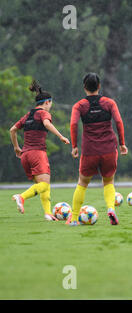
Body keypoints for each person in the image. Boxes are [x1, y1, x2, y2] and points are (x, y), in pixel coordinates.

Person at [69, 73, 128, 226]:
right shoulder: (109, 102)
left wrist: (74, 146)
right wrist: (122, 143)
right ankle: (110, 208)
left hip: (90, 150)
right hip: (109, 148)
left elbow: (74, 125)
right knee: (108, 181)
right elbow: (119, 121)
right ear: (99, 86)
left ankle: (74, 218)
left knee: (82, 182)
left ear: (84, 87)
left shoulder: (79, 105)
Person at [10, 81, 70, 221]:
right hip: (38, 153)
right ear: (48, 102)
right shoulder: (43, 113)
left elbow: (12, 130)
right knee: (44, 185)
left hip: (25, 155)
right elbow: (47, 124)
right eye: (51, 103)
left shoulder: (28, 115)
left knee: (43, 185)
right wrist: (61, 136)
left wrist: (16, 147)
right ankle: (21, 197)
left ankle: (48, 213)